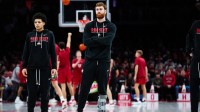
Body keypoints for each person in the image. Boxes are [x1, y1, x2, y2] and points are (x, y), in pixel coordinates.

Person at [77, 2, 117, 112]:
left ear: (105, 11)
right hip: (90, 61)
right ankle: (79, 110)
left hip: (104, 61)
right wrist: (101, 41)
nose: (98, 11)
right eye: (97, 9)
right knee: (84, 88)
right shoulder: (89, 25)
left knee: (103, 89)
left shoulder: (111, 26)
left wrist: (93, 40)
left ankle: (101, 110)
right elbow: (86, 42)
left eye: (100, 9)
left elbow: (108, 40)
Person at [22, 12, 57, 112]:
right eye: (35, 22)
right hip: (32, 69)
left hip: (45, 69)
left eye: (39, 22)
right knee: (31, 95)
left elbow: (53, 53)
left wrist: (54, 67)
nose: (37, 24)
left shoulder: (50, 34)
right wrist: (24, 66)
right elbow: (26, 52)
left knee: (45, 95)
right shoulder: (30, 35)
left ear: (44, 23)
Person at [57, 32, 76, 106]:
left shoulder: (58, 55)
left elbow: (58, 64)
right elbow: (69, 42)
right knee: (70, 85)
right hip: (68, 71)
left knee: (63, 87)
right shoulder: (67, 51)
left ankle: (64, 101)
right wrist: (69, 35)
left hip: (61, 71)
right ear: (64, 46)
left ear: (59, 47)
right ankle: (73, 99)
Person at [186, 20, 200, 112]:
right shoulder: (196, 24)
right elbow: (189, 37)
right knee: (194, 88)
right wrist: (189, 50)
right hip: (196, 62)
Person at [49, 43, 67, 109]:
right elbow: (57, 59)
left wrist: (56, 69)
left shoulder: (55, 46)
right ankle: (62, 100)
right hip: (50, 68)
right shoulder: (55, 46)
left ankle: (62, 100)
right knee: (55, 84)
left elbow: (57, 58)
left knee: (54, 84)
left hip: (49, 69)